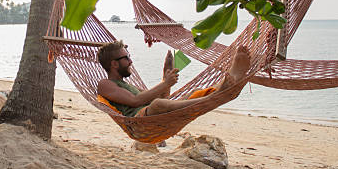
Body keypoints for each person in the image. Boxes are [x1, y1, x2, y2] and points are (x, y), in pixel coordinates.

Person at [96, 41, 251, 117]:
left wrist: (166, 74)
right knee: (157, 103)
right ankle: (215, 96)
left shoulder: (127, 86)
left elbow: (165, 98)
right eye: (126, 58)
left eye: (129, 56)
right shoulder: (105, 84)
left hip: (155, 114)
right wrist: (165, 82)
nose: (131, 61)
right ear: (114, 64)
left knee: (195, 92)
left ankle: (230, 80)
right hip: (139, 120)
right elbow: (136, 102)